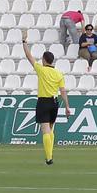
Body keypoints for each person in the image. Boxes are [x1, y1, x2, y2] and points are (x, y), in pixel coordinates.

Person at [21, 29, 70, 165]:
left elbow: (28, 55)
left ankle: (49, 158)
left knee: (45, 130)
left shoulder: (41, 70)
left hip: (43, 102)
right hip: (54, 102)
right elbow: (63, 91)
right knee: (51, 129)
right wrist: (67, 106)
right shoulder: (59, 73)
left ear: (44, 60)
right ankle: (50, 154)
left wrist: (24, 41)